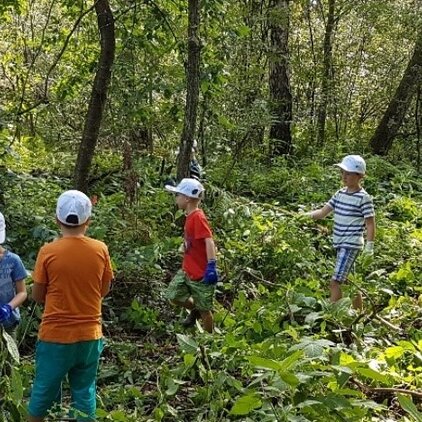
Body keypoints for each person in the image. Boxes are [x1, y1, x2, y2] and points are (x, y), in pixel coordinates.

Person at [28, 190, 114, 422]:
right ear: (88, 221)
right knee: (84, 392)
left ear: (57, 219)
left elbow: (37, 295)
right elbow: (103, 290)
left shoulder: (48, 252)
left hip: (55, 336)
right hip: (90, 335)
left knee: (44, 390)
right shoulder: (100, 249)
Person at [307, 155, 375, 309]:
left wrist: (370, 246)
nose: (344, 176)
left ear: (360, 176)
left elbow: (370, 223)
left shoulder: (363, 198)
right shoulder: (340, 194)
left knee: (335, 282)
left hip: (350, 244)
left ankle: (332, 316)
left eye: (349, 173)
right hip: (339, 243)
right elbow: (323, 212)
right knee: (349, 280)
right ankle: (359, 313)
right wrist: (303, 216)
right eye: (342, 172)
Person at [165, 178, 218, 333]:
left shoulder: (198, 217)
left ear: (186, 198)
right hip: (188, 269)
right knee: (174, 295)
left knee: (205, 311)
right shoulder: (190, 216)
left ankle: (210, 339)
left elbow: (209, 241)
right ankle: (195, 309)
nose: (176, 199)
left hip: (201, 274)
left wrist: (211, 265)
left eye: (178, 195)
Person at [0, 212, 28, 343]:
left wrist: (8, 307)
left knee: (10, 361)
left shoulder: (13, 260)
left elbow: (22, 292)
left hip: (9, 323)